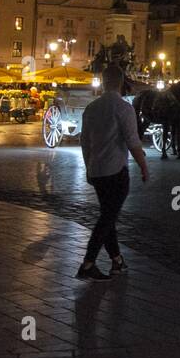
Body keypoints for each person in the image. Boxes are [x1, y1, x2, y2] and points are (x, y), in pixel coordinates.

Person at [76, 65, 150, 281]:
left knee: (108, 215)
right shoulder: (124, 108)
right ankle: (88, 264)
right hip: (116, 171)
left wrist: (89, 166)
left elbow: (84, 142)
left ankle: (117, 261)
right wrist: (144, 167)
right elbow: (133, 142)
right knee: (107, 218)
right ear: (120, 82)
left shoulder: (91, 108)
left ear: (103, 80)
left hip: (97, 171)